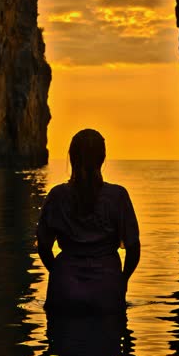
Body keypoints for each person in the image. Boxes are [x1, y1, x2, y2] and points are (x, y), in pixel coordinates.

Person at [36, 128, 141, 313]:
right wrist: (122, 281)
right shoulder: (117, 196)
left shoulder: (57, 196)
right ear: (102, 158)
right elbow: (133, 248)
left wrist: (59, 274)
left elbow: (43, 247)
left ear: (72, 157)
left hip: (64, 288)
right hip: (107, 287)